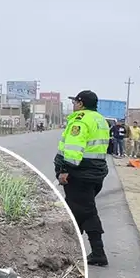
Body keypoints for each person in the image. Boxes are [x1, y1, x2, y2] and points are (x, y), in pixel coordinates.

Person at [55, 90, 111, 267]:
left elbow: (72, 150)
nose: (73, 105)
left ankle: (98, 252)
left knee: (86, 211)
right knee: (77, 209)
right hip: (96, 172)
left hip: (79, 173)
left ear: (80, 103)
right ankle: (69, 250)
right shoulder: (100, 120)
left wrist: (64, 170)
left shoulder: (80, 120)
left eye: (74, 102)